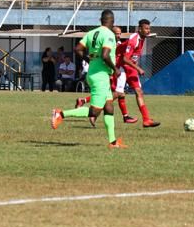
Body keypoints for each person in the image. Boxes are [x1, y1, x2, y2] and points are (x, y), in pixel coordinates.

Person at [51, 9, 126, 148]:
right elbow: (105, 55)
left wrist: (89, 59)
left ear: (101, 20)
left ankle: (113, 142)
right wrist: (115, 69)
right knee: (94, 111)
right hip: (101, 76)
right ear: (112, 21)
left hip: (92, 73)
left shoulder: (91, 33)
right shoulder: (109, 34)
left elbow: (77, 49)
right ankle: (60, 114)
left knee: (109, 107)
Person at [114, 19, 160, 127]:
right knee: (118, 94)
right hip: (121, 65)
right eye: (146, 28)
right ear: (139, 29)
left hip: (130, 66)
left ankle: (146, 120)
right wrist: (138, 68)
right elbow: (125, 59)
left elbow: (146, 36)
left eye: (149, 29)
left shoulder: (142, 37)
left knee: (139, 92)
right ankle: (95, 108)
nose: (148, 31)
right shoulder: (133, 40)